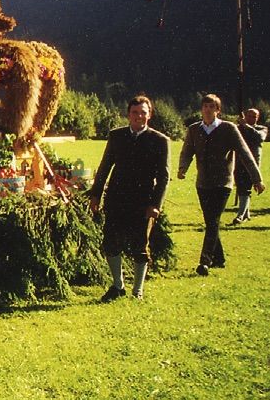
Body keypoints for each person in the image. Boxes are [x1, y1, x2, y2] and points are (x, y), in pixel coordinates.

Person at [87, 95, 170, 301]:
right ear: (128, 114)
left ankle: (137, 290)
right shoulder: (117, 136)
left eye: (143, 112)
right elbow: (105, 167)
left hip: (143, 201)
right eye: (135, 112)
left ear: (149, 115)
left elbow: (164, 177)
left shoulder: (160, 141)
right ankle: (118, 286)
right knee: (110, 243)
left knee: (140, 246)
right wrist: (96, 195)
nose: (139, 116)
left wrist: (156, 204)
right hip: (116, 198)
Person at [177, 94, 264, 274]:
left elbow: (245, 154)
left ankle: (205, 261)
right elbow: (187, 151)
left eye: (212, 107)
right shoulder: (194, 130)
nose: (208, 110)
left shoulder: (228, 129)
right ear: (201, 109)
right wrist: (183, 168)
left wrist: (257, 179)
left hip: (223, 183)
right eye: (205, 106)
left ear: (218, 110)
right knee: (211, 221)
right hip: (202, 184)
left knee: (212, 221)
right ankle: (219, 258)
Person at [232, 108, 267, 224]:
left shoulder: (262, 129)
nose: (252, 118)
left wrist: (245, 125)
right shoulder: (239, 129)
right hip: (238, 161)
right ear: (245, 116)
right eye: (250, 116)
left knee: (245, 188)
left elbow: (258, 137)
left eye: (254, 116)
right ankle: (246, 214)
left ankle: (241, 215)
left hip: (253, 164)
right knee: (242, 187)